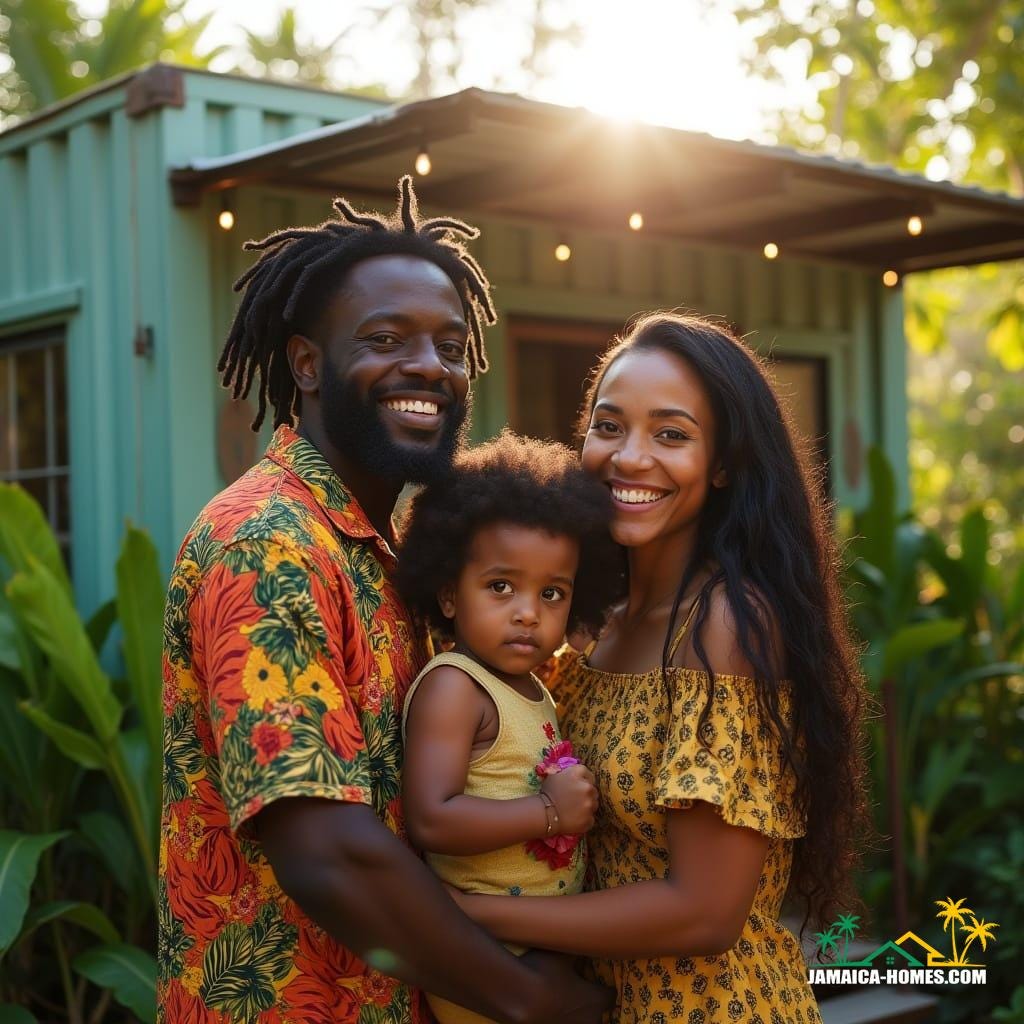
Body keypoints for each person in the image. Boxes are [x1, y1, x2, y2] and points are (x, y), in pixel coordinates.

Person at [158, 177, 611, 1024]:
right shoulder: (269, 545)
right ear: (306, 364)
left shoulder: (381, 549)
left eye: (449, 343)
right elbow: (328, 848)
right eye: (385, 338)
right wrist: (522, 996)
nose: (427, 368)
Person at [449, 313, 869, 1023]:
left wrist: (463, 916)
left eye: (670, 435)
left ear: (725, 462)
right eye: (609, 426)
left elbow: (703, 913)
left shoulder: (727, 625)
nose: (629, 458)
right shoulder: (586, 627)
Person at [395, 431, 624, 1024]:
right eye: (501, 587)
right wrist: (549, 812)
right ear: (448, 595)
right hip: (484, 963)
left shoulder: (533, 685)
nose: (528, 612)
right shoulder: (456, 686)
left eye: (552, 593)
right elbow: (432, 817)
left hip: (529, 946)